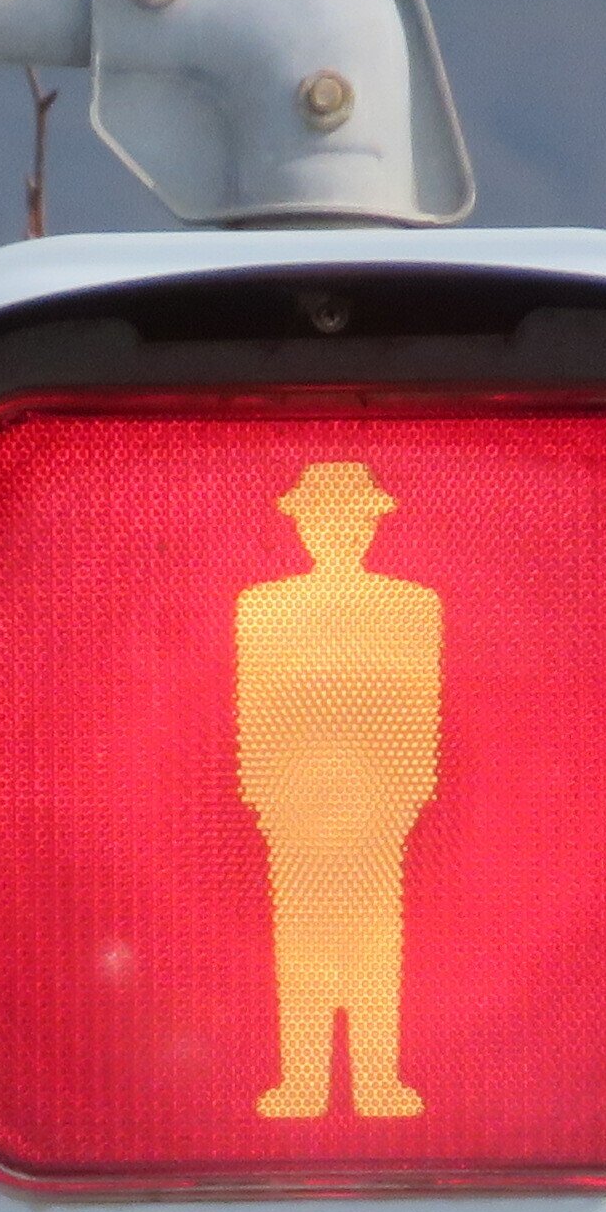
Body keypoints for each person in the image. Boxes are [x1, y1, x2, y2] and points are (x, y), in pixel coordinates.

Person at [232, 458, 440, 1123]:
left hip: (382, 802)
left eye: (352, 518)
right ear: (301, 525)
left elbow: (421, 708)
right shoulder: (263, 608)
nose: (339, 530)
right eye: (325, 519)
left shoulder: (412, 606)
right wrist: (266, 795)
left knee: (375, 940)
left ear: (373, 524)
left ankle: (377, 1082)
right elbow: (255, 706)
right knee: (302, 942)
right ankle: (303, 1084)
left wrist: (405, 794)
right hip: (294, 803)